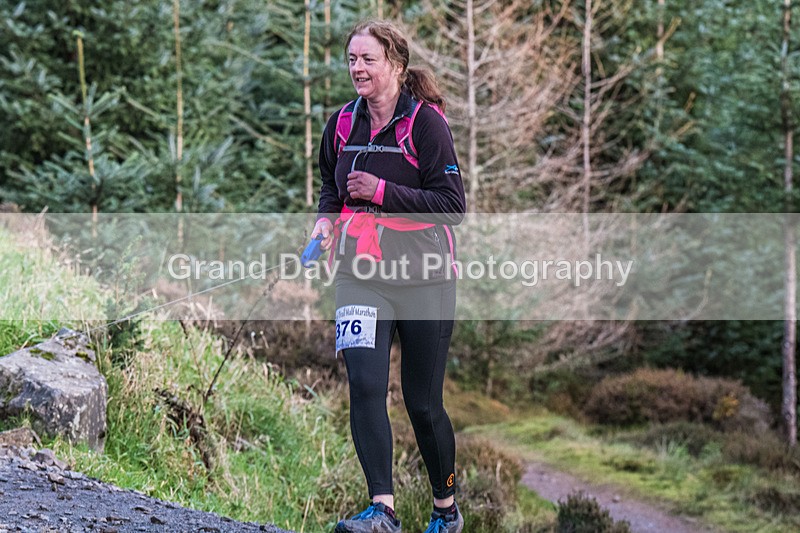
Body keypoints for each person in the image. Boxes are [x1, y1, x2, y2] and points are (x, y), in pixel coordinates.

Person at [310, 19, 466, 533]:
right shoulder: (341, 124)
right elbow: (330, 188)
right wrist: (324, 225)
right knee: (365, 384)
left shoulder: (426, 125)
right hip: (361, 274)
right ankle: (383, 509)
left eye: (367, 59)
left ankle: (446, 510)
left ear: (395, 65)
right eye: (351, 59)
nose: (357, 68)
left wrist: (381, 191)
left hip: (425, 276)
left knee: (423, 405)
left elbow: (451, 206)